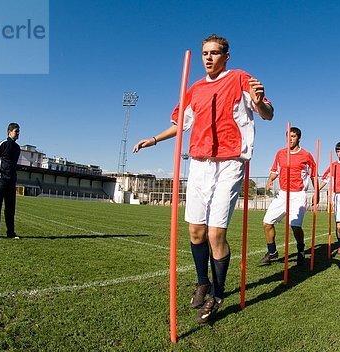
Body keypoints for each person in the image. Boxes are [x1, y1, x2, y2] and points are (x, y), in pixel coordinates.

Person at [133, 34, 273, 323]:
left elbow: (268, 114)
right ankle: (202, 281)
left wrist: (259, 103)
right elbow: (180, 125)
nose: (208, 58)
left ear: (226, 56)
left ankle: (218, 294)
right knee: (195, 232)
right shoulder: (194, 88)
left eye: (214, 53)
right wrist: (154, 139)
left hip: (230, 162)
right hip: (198, 163)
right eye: (204, 53)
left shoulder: (240, 78)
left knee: (214, 233)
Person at [260, 127, 316, 266]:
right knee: (267, 223)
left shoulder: (306, 155)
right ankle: (272, 252)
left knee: (295, 226)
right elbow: (275, 170)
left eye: (293, 136)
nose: (290, 139)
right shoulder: (280, 153)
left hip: (298, 195)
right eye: (288, 136)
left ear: (299, 138)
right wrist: (270, 180)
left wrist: (317, 193)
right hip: (283, 194)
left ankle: (301, 250)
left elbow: (314, 175)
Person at [0, 122, 21, 240]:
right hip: (1, 179)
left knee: (10, 209)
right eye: (16, 131)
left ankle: (10, 232)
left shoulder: (17, 148)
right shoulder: (3, 144)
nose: (18, 134)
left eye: (19, 132)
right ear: (9, 132)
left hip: (11, 181)